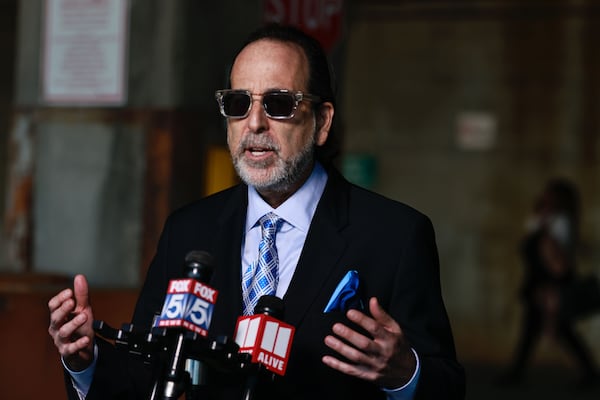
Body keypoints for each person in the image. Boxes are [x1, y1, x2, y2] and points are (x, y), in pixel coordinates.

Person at [48, 24, 465, 399]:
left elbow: (446, 387)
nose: (255, 124)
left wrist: (404, 374)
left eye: (279, 103)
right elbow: (146, 378)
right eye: (239, 103)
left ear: (322, 122)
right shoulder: (188, 231)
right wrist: (87, 362)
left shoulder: (394, 235)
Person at [502, 178, 598, 386]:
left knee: (554, 329)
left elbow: (557, 259)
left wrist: (550, 288)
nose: (546, 197)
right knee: (534, 329)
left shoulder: (561, 221)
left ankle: (589, 373)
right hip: (537, 281)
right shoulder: (541, 218)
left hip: (550, 282)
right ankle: (517, 372)